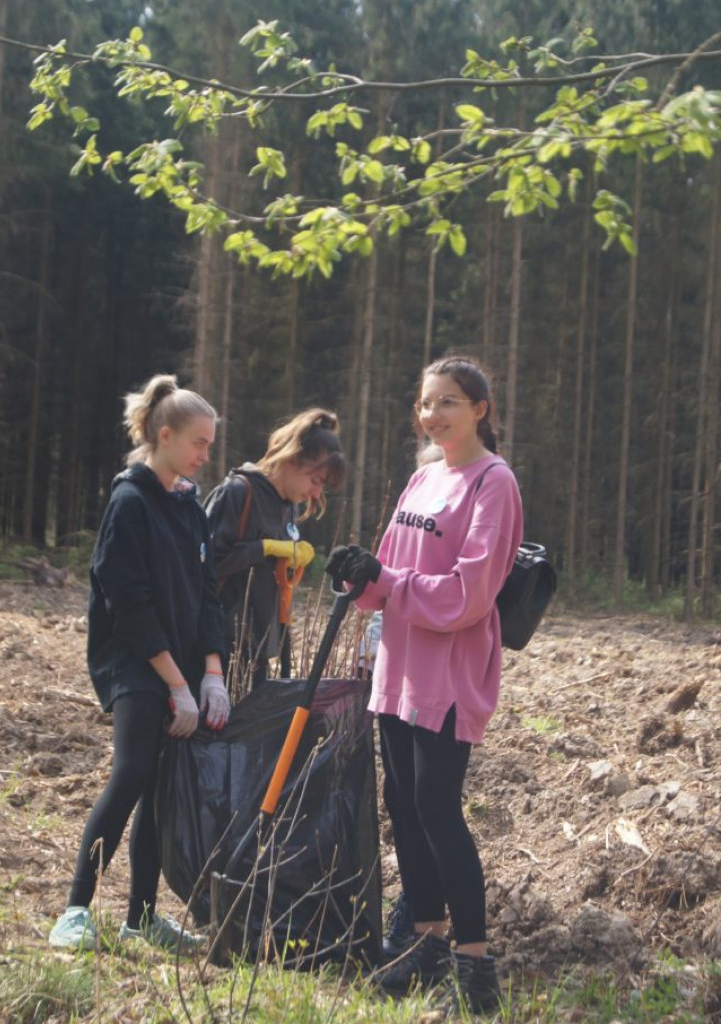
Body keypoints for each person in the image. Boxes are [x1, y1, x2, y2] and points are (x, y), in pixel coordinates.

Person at [327, 355, 523, 1017]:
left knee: (438, 807)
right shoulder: (422, 478)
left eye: (448, 402)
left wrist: (389, 586)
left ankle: (474, 964)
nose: (432, 414)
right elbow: (388, 575)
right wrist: (361, 572)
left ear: (480, 411)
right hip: (399, 665)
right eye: (426, 402)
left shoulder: (493, 484)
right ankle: (425, 942)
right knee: (404, 806)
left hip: (449, 668)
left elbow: (469, 594)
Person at [49, 374, 228, 952]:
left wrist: (212, 674)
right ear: (164, 434)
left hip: (179, 667)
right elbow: (129, 603)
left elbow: (206, 594)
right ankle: (75, 910)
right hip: (135, 663)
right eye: (198, 443)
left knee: (160, 790)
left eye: (210, 444)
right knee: (131, 773)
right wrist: (174, 684)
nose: (206, 454)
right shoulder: (129, 502)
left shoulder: (188, 506)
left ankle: (142, 917)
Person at [205, 408, 345, 691]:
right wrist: (264, 548)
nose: (316, 494)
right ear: (291, 459)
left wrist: (290, 562)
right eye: (314, 480)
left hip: (258, 648)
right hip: (217, 647)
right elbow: (205, 566)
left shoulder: (289, 505)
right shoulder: (237, 492)